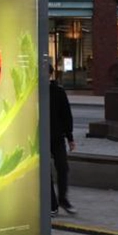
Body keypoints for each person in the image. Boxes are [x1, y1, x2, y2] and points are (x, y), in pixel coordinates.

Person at [49, 64, 76, 216]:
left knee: (63, 167)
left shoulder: (58, 92)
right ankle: (52, 204)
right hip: (42, 137)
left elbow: (66, 115)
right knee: (45, 172)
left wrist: (70, 137)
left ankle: (62, 199)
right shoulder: (35, 92)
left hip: (57, 136)